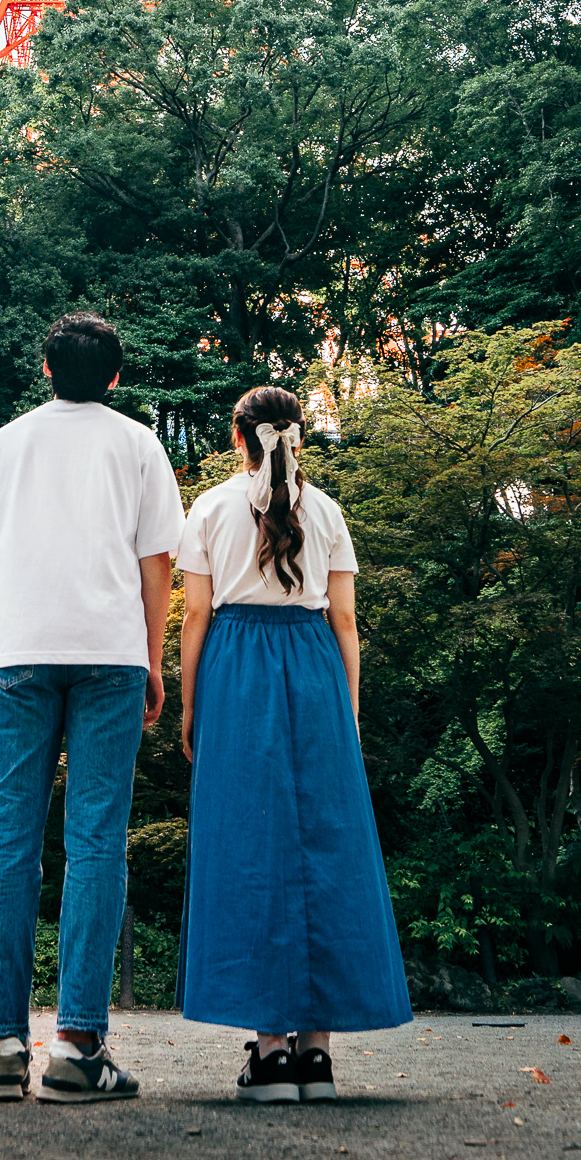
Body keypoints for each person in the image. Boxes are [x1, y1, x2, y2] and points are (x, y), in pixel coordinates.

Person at [0, 310, 185, 1103]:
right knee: (95, 842)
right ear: (116, 375)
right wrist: (154, 659)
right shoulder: (139, 444)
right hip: (112, 658)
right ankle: (79, 1046)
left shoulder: (5, 442)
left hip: (21, 655)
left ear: (46, 369)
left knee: (7, 845)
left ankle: (2, 1045)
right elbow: (158, 566)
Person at [175, 383, 411, 1101]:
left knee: (251, 846)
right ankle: (318, 1057)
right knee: (326, 845)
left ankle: (269, 1052)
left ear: (239, 438)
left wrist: (190, 708)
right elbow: (344, 619)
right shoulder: (329, 509)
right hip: (313, 667)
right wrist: (350, 705)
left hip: (238, 667)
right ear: (298, 438)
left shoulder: (212, 507)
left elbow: (194, 617)